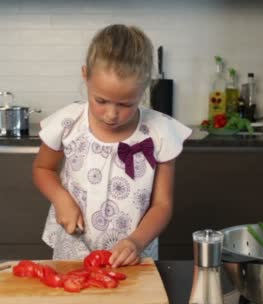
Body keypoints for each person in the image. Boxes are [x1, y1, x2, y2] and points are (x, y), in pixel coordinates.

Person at [33, 24, 192, 268]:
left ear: (144, 89)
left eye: (125, 104)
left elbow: (163, 205)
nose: (111, 114)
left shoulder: (159, 132)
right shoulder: (68, 122)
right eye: (101, 100)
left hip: (131, 257)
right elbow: (43, 169)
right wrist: (61, 199)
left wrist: (136, 242)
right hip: (73, 251)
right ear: (86, 76)